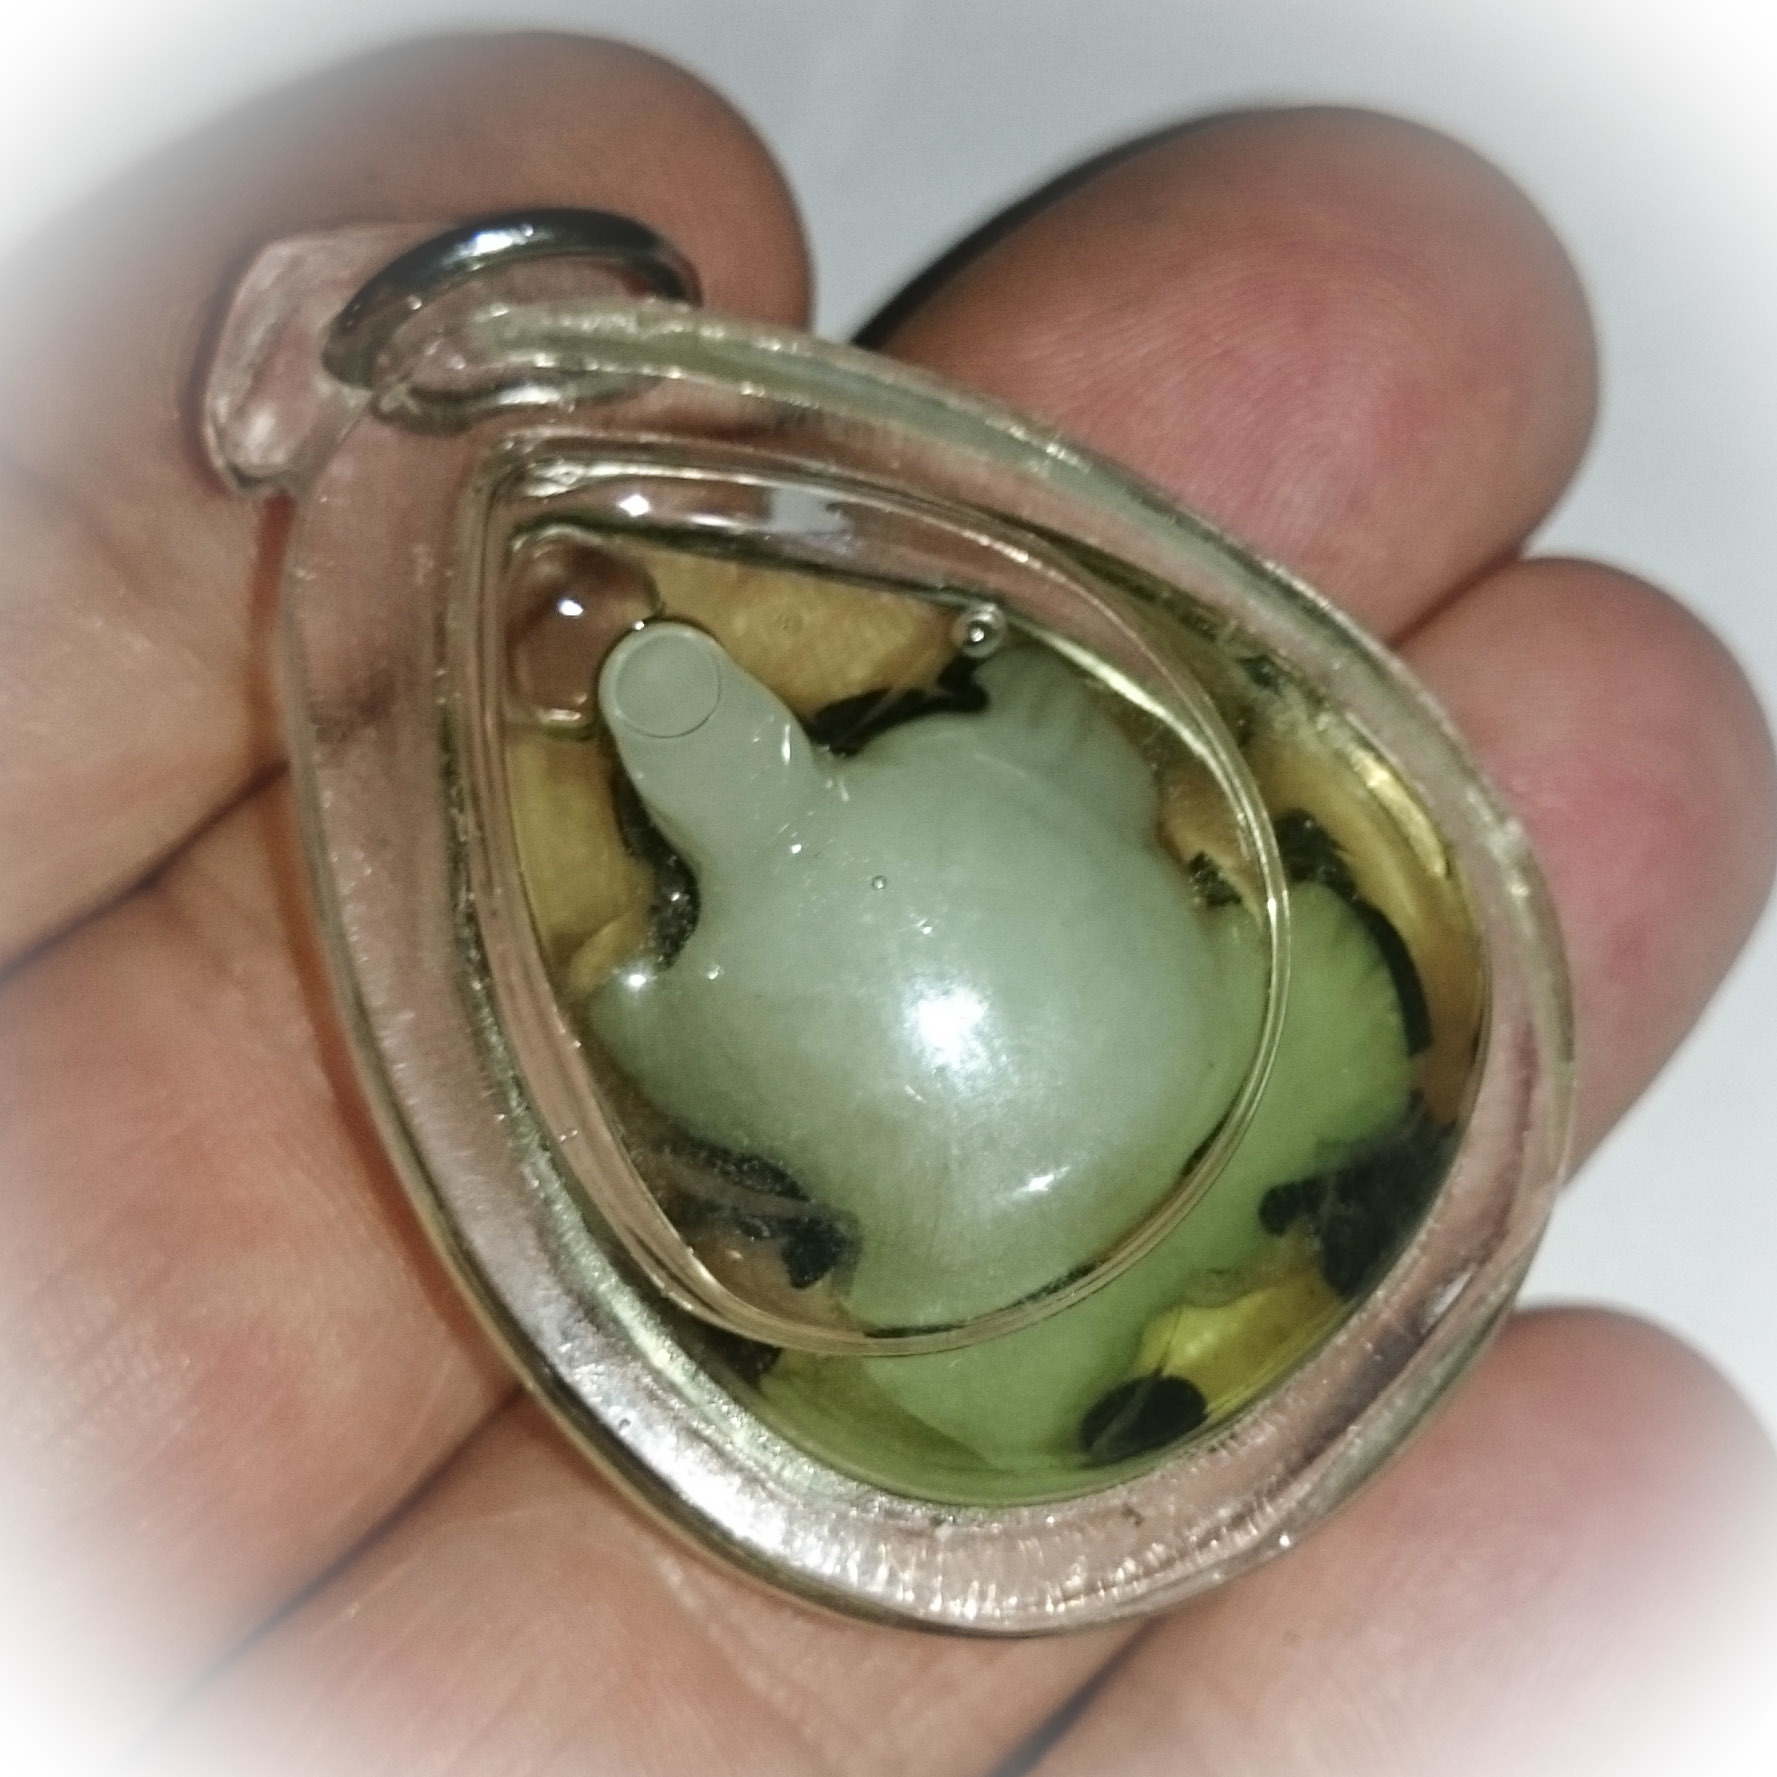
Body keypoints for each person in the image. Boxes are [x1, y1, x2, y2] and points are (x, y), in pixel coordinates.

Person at [0, 33, 1772, 1777]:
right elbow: (675, 1069)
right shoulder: (685, 973)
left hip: (1218, 1055)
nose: (723, 739)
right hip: (976, 1281)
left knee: (1280, 1033)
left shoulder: (886, 806)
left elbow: (1067, 757)